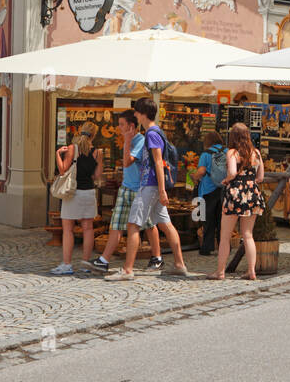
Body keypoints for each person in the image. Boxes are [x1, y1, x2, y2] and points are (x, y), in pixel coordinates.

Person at [105, 98, 190, 281]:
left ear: (142, 113)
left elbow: (158, 162)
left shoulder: (151, 133)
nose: (134, 114)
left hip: (150, 186)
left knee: (133, 225)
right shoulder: (155, 131)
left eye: (136, 111)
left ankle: (127, 270)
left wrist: (161, 190)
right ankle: (179, 265)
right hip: (153, 187)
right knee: (166, 225)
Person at [90, 110, 161, 272]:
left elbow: (128, 162)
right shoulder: (129, 140)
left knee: (149, 225)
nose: (119, 127)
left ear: (131, 126)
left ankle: (157, 257)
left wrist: (127, 141)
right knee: (116, 224)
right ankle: (104, 260)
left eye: (122, 124)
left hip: (140, 190)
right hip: (126, 187)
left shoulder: (140, 140)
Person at [209, 123, 265, 281]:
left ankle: (220, 272)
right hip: (252, 193)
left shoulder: (232, 152)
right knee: (248, 235)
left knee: (225, 236)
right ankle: (251, 271)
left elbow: (233, 172)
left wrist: (226, 180)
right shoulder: (256, 153)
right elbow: (260, 178)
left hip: (235, 194)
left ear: (232, 136)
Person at [51, 131, 101, 275]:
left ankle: (67, 264)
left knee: (68, 229)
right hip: (89, 193)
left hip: (73, 193)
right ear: (93, 136)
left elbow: (62, 170)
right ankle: (85, 264)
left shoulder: (73, 149)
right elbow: (97, 175)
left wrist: (57, 154)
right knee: (88, 228)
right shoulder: (98, 152)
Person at [195, 131, 227, 255]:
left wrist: (194, 177)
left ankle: (207, 247)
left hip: (207, 190)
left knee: (207, 220)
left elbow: (202, 171)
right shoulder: (227, 151)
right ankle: (223, 247)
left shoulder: (206, 154)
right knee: (222, 221)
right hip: (224, 189)